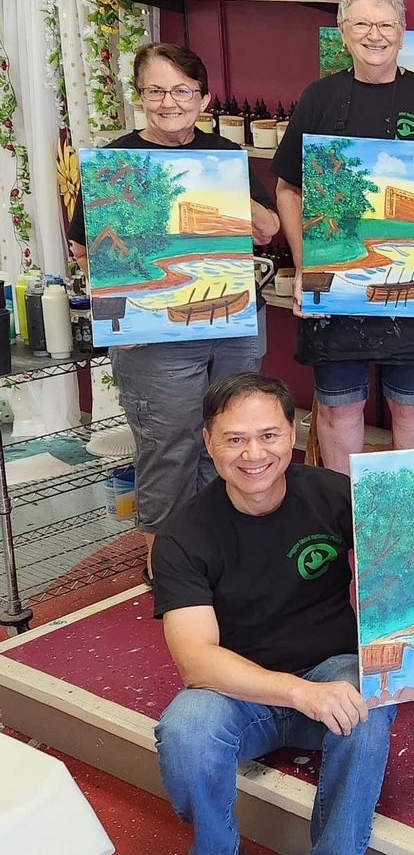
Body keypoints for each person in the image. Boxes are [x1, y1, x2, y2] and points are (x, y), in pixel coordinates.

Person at [149, 372, 393, 855]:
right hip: (245, 689)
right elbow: (196, 661)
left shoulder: (332, 495)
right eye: (234, 439)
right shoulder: (183, 536)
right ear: (208, 442)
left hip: (331, 669)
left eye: (269, 435)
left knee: (369, 708)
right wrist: (295, 694)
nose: (253, 453)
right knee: (185, 727)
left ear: (295, 433)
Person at [68, 42, 280, 561]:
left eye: (183, 91)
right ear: (139, 96)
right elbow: (83, 248)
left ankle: (221, 551)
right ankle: (165, 564)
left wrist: (219, 186)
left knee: (230, 439)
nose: (169, 102)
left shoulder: (225, 155)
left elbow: (268, 229)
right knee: (170, 445)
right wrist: (117, 291)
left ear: (203, 99)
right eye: (156, 91)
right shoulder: (116, 162)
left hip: (234, 326)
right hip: (154, 333)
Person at [273, 0, 414, 474]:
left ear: (402, 33)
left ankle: (409, 509)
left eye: (385, 25)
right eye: (362, 24)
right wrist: (306, 264)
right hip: (335, 292)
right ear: (343, 31)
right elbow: (288, 189)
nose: (375, 35)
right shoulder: (318, 100)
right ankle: (345, 513)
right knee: (340, 409)